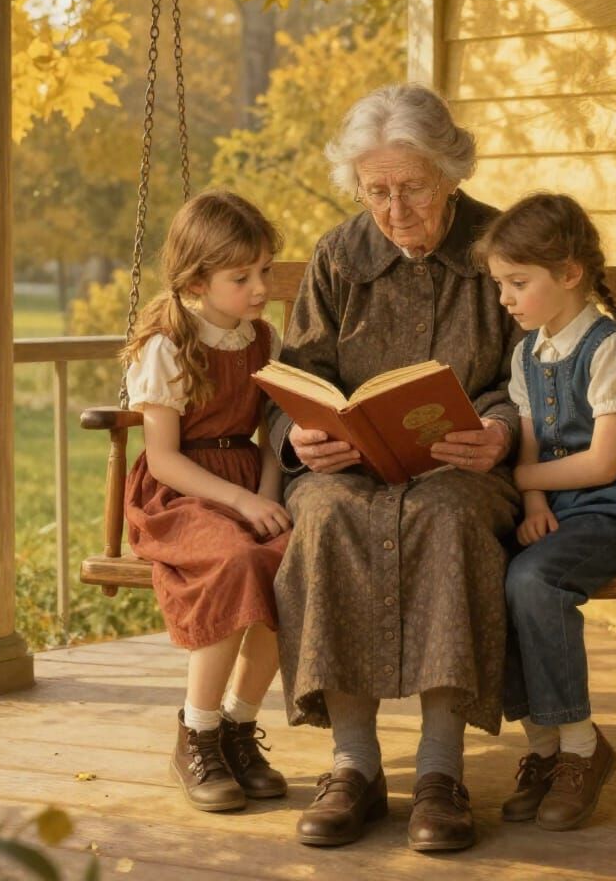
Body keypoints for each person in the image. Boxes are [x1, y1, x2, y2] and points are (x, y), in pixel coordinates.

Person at [267, 84, 522, 853]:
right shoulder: (339, 255)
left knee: (448, 516)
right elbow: (298, 375)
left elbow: (532, 373)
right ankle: (354, 767)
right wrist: (299, 437)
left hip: (462, 467)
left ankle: (441, 772)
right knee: (323, 512)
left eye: (412, 187)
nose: (395, 208)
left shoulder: (498, 250)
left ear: (450, 173)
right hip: (351, 465)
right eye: (376, 190)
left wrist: (502, 432)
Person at [475, 191, 616, 832]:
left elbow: (603, 464)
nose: (506, 299)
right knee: (482, 571)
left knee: (534, 579)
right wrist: (528, 501)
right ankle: (545, 750)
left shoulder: (611, 349)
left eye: (518, 283)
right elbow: (527, 436)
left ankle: (582, 748)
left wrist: (524, 477)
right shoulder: (528, 353)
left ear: (570, 273)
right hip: (553, 512)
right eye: (501, 284)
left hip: (613, 512)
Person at [123, 190, 292, 814]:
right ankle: (197, 731)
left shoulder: (263, 339)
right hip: (179, 492)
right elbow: (164, 457)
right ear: (197, 280)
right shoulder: (169, 344)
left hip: (248, 481)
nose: (259, 287)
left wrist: (268, 500)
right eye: (241, 277)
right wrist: (242, 506)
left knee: (291, 560)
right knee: (233, 561)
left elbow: (275, 435)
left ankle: (239, 729)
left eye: (265, 271)